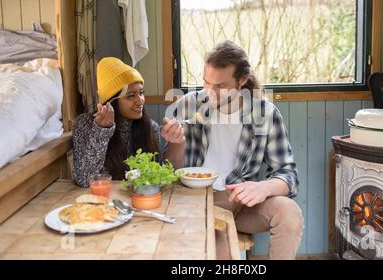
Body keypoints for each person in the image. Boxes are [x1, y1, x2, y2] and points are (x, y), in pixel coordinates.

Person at [173, 40, 304, 260]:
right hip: (196, 202)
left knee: (289, 212)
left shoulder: (266, 114)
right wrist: (176, 142)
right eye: (206, 83)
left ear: (242, 81)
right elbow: (169, 171)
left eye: (220, 87)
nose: (209, 93)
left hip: (241, 202)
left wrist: (264, 187)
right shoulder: (188, 106)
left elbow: (288, 174)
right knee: (220, 244)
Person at [73, 57, 185, 187]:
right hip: (100, 202)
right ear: (111, 102)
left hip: (139, 200)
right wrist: (101, 131)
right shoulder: (84, 124)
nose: (140, 100)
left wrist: (176, 143)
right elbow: (84, 179)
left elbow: (160, 176)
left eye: (141, 93)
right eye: (131, 96)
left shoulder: (150, 128)